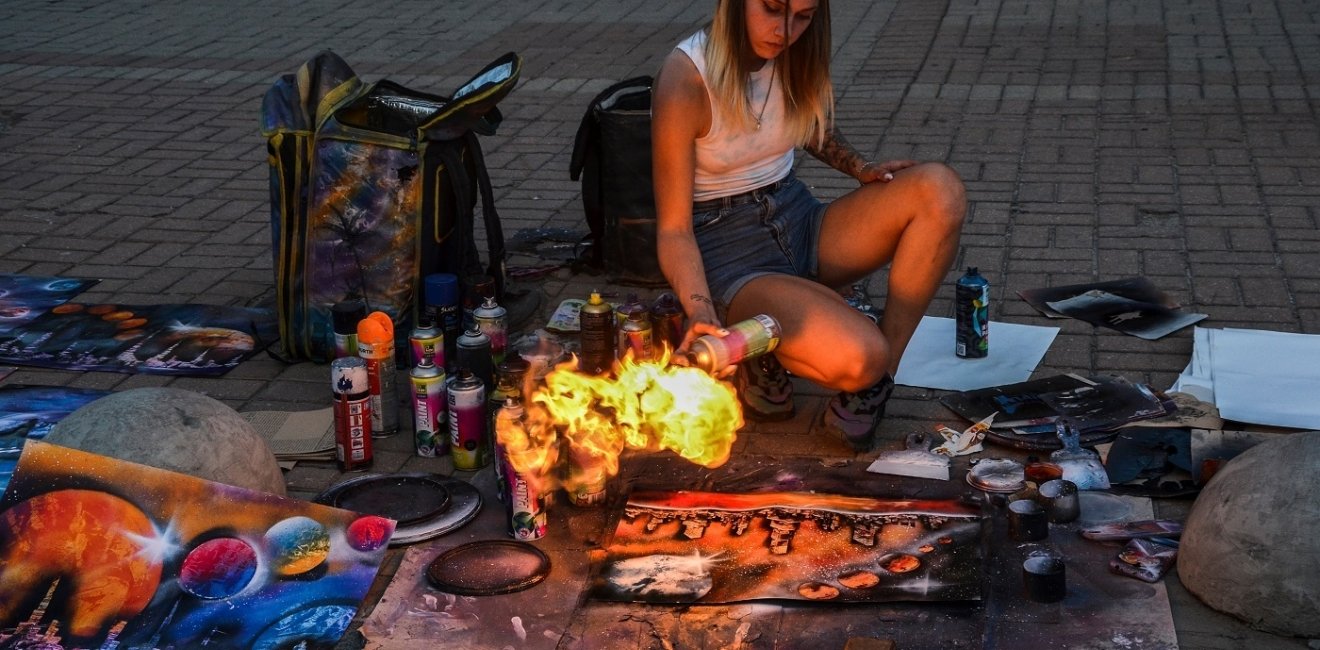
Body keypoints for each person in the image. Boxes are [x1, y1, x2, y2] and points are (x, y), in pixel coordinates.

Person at [652, 0, 966, 450]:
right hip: (729, 253)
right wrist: (700, 309)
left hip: (797, 216)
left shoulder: (792, 53)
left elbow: (804, 122)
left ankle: (878, 383)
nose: (785, 30)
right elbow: (673, 230)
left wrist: (859, 166)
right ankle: (756, 343)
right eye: (773, 9)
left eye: (803, 16)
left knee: (941, 190)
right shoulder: (685, 77)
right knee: (861, 355)